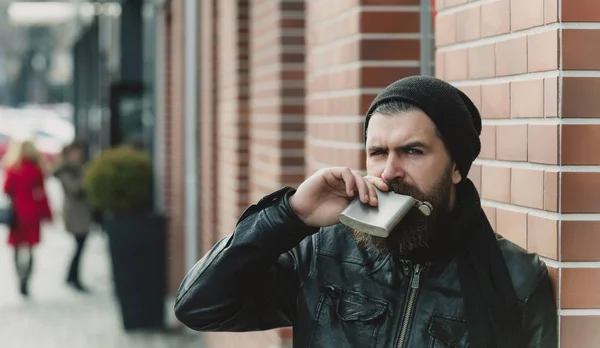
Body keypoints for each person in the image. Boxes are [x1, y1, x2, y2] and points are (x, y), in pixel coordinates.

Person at [174, 76, 557, 347]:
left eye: (412, 151)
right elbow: (200, 307)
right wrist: (290, 215)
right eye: (377, 153)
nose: (389, 171)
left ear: (456, 167)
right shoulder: (324, 251)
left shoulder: (515, 278)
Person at [3, 139, 52, 297]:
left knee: (17, 248)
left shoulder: (13, 168)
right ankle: (27, 279)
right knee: (30, 248)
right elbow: (42, 193)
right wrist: (47, 214)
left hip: (17, 212)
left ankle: (20, 276)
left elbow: (6, 189)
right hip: (32, 212)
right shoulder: (37, 169)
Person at [54, 140, 92, 292]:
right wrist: (85, 175)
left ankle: (72, 276)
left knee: (80, 246)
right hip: (74, 214)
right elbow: (75, 189)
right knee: (79, 245)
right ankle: (73, 277)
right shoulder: (66, 171)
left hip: (82, 213)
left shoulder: (78, 168)